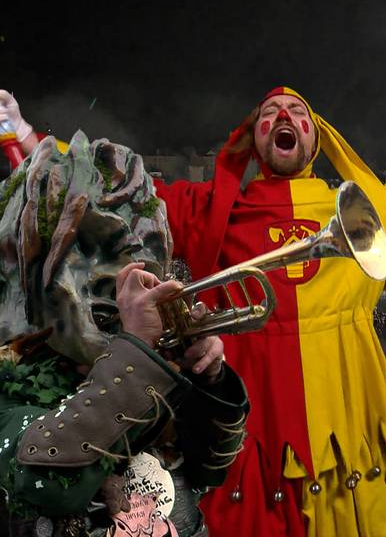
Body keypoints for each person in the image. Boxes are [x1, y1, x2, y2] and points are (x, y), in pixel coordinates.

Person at [6, 86, 386, 537]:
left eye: (296, 114)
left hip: (351, 408)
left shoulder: (371, 208)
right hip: (244, 412)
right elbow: (111, 196)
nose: (282, 120)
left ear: (317, 139)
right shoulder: (211, 208)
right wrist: (30, 142)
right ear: (254, 140)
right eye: (269, 116)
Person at [0, 133, 248, 536]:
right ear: (18, 262)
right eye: (89, 247)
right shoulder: (8, 384)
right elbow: (48, 478)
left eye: (143, 248)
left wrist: (208, 377)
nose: (123, 275)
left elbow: (213, 467)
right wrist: (136, 352)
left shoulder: (151, 374)